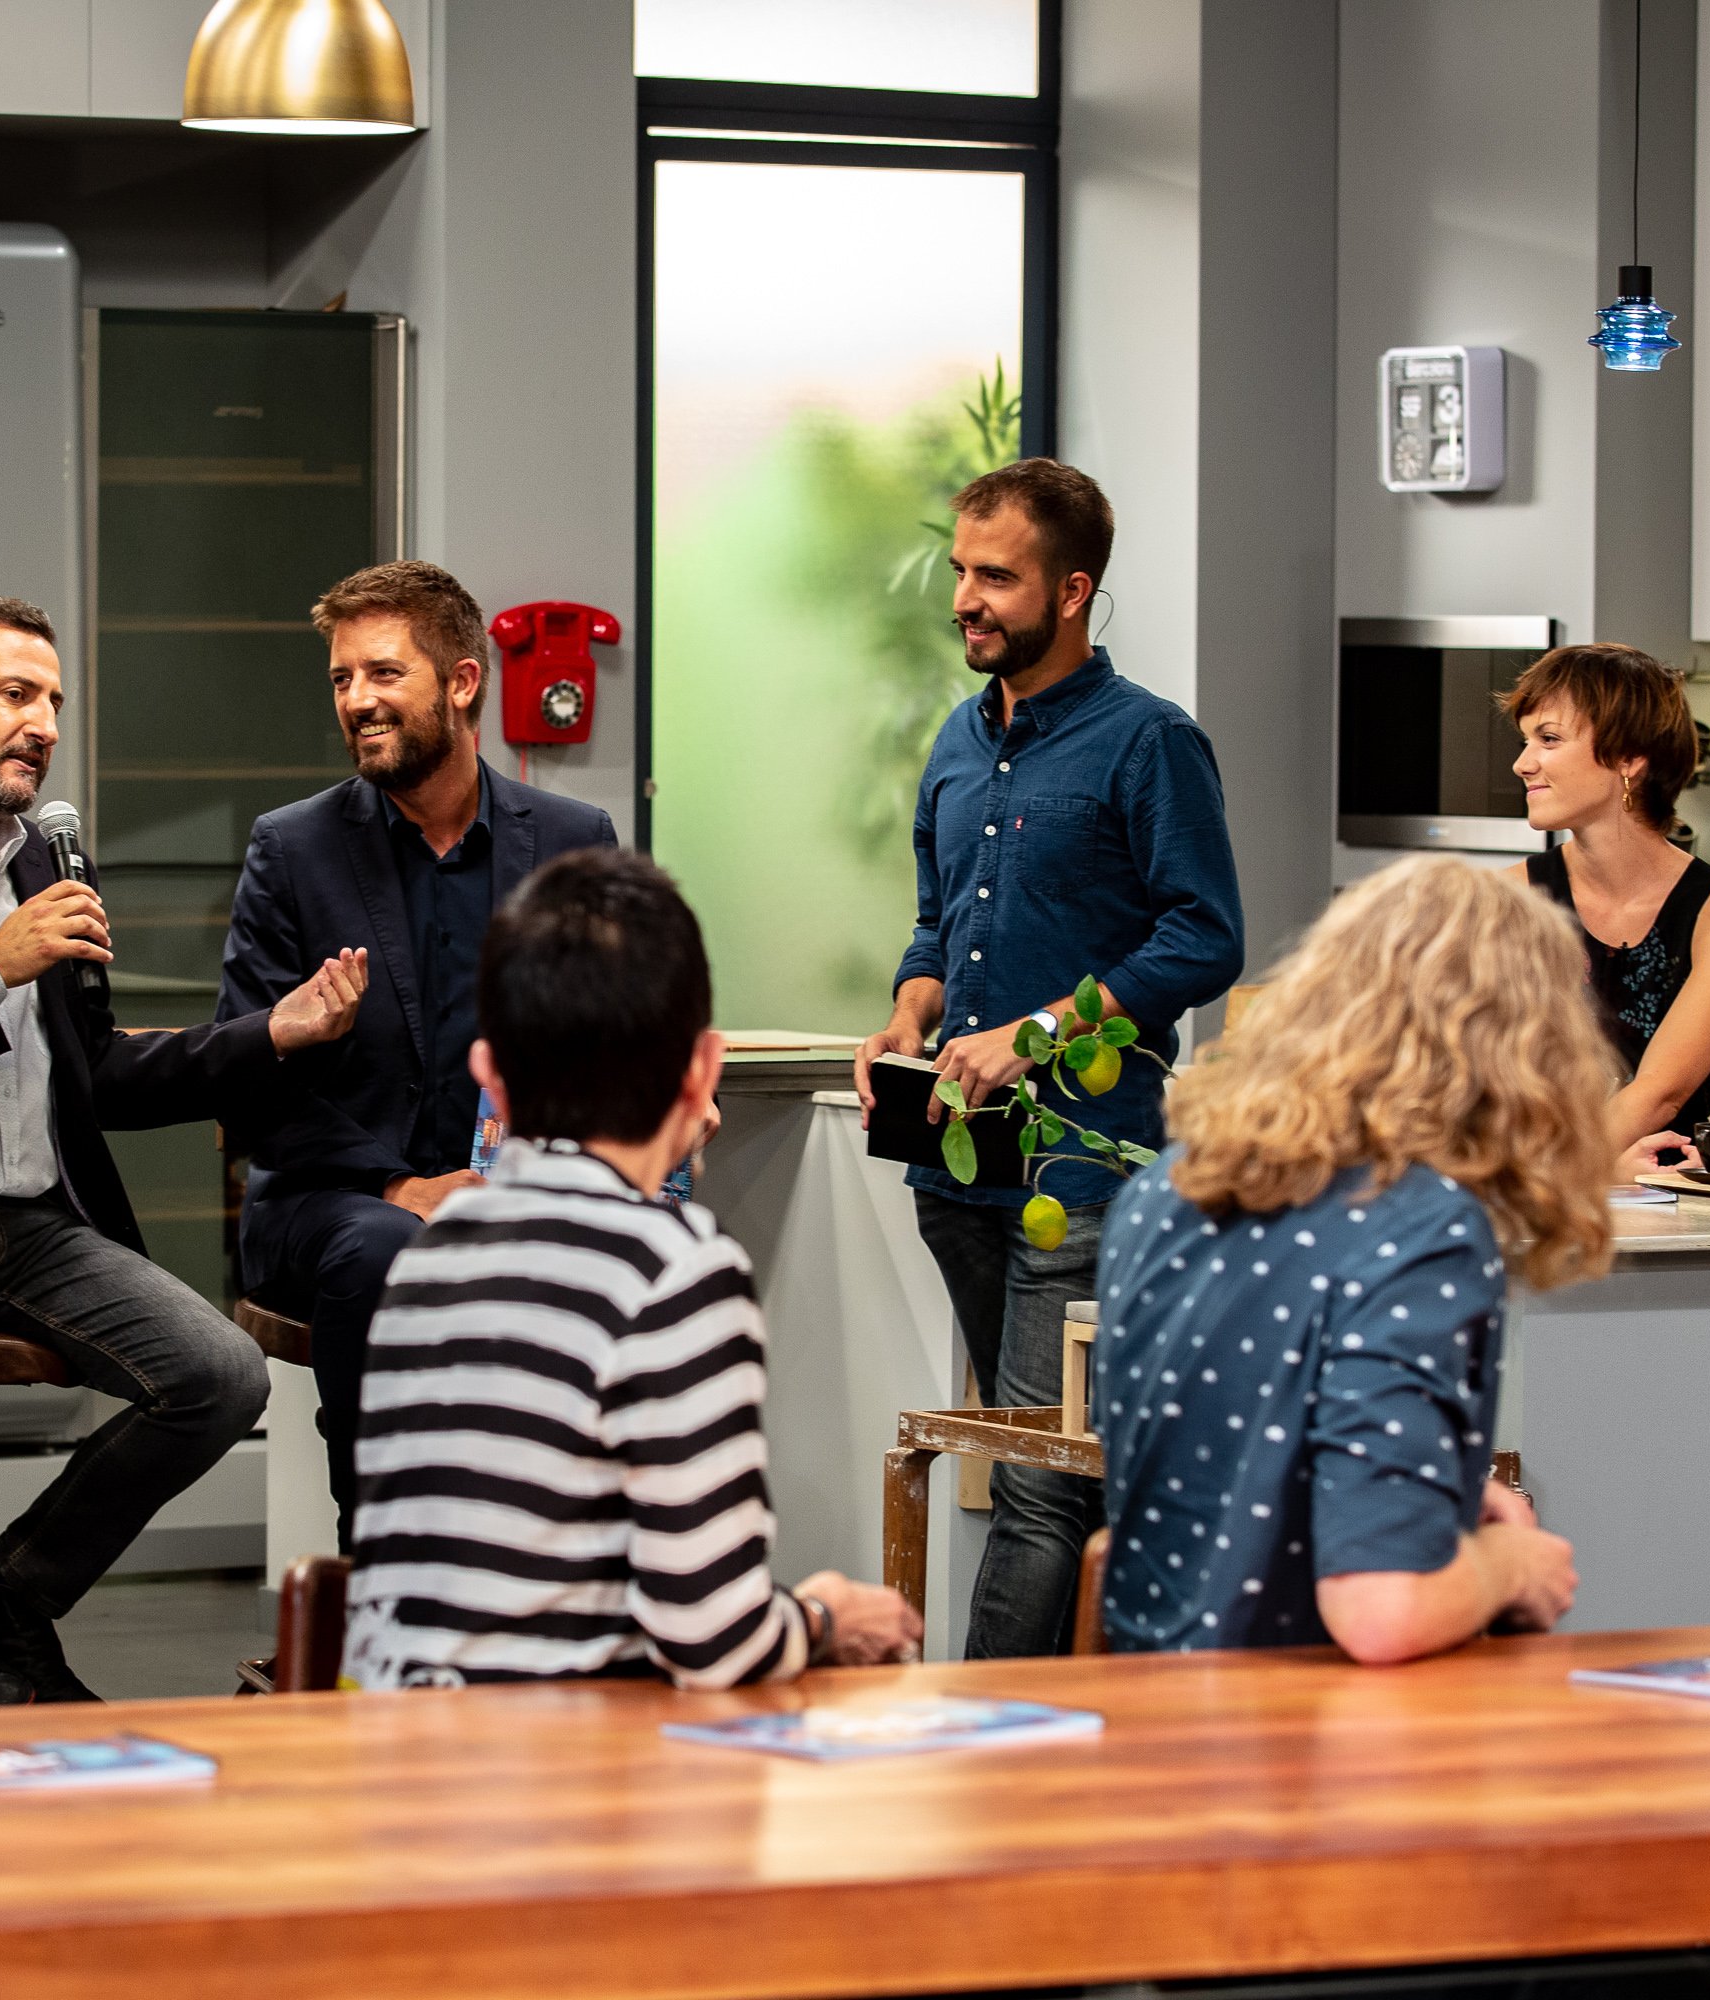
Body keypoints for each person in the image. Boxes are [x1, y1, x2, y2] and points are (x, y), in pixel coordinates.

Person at [0, 595, 368, 1706]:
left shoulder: (46, 858)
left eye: (52, 702)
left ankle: (0, 1606)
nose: (43, 722)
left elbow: (101, 1072)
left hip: (34, 1224)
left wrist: (271, 1032)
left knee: (221, 1375)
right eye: (15, 693)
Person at [342, 850, 921, 1687]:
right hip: (564, 1790)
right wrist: (825, 1615)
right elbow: (716, 1639)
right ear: (701, 1073)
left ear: (490, 1075)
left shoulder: (428, 1257)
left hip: (397, 1768)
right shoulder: (675, 1270)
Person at [852, 458, 1245, 1659]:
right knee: (1075, 1470)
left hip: (1083, 1171)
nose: (966, 597)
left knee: (1035, 1487)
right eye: (963, 570)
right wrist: (909, 1015)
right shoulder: (957, 744)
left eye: (996, 576)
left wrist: (1037, 1035)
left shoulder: (1150, 744)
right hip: (952, 1169)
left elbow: (1205, 934)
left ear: (1072, 591)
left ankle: (989, 1762)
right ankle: (1134, 1722)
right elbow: (935, 925)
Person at [1091, 857, 1602, 1664]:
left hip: (1153, 1702)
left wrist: (1441, 1498)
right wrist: (1507, 1566)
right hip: (1300, 1736)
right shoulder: (1423, 1228)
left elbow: (1250, 1459)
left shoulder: (1163, 1191)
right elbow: (1381, 1609)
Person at [217, 560, 618, 1548]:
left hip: (516, 1191)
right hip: (328, 1204)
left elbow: (624, 1035)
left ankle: (573, 1568)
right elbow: (244, 1081)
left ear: (464, 681)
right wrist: (401, 1188)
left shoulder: (576, 841)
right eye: (343, 679)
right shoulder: (292, 848)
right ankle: (385, 1558)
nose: (358, 700)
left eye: (385, 674)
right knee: (382, 1248)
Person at [1503, 643, 1710, 1154]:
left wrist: (1573, 1174)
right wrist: (1583, 1177)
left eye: (1549, 739)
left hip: (1674, 1198)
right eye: (1525, 740)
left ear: (1629, 758)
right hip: (1534, 1192)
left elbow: (1660, 1094)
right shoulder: (1509, 900)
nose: (1522, 763)